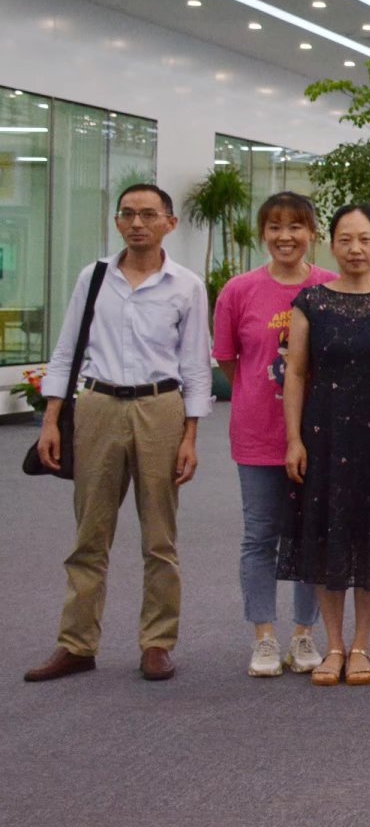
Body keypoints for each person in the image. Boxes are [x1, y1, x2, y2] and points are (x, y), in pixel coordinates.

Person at [26, 183, 211, 683]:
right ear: (116, 222)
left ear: (169, 223)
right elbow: (67, 350)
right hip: (98, 406)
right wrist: (51, 420)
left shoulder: (187, 286)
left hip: (160, 408)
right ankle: (77, 643)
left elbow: (195, 364)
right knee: (90, 534)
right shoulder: (94, 277)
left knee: (159, 538)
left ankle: (157, 643)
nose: (137, 223)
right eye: (127, 214)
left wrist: (190, 436)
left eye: (148, 214)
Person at [278, 204, 370, 687]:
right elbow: (296, 373)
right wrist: (293, 439)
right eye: (345, 239)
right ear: (330, 245)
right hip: (323, 431)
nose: (356, 249)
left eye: (365, 239)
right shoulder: (311, 302)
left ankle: (362, 645)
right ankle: (333, 645)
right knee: (326, 532)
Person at [212, 191, 334, 678]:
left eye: (296, 226)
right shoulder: (239, 290)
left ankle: (305, 633)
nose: (286, 236)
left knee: (310, 536)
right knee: (260, 535)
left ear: (312, 233)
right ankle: (264, 635)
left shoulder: (329, 287)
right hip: (258, 432)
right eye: (275, 227)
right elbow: (228, 360)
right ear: (263, 233)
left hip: (318, 433)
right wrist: (260, 390)